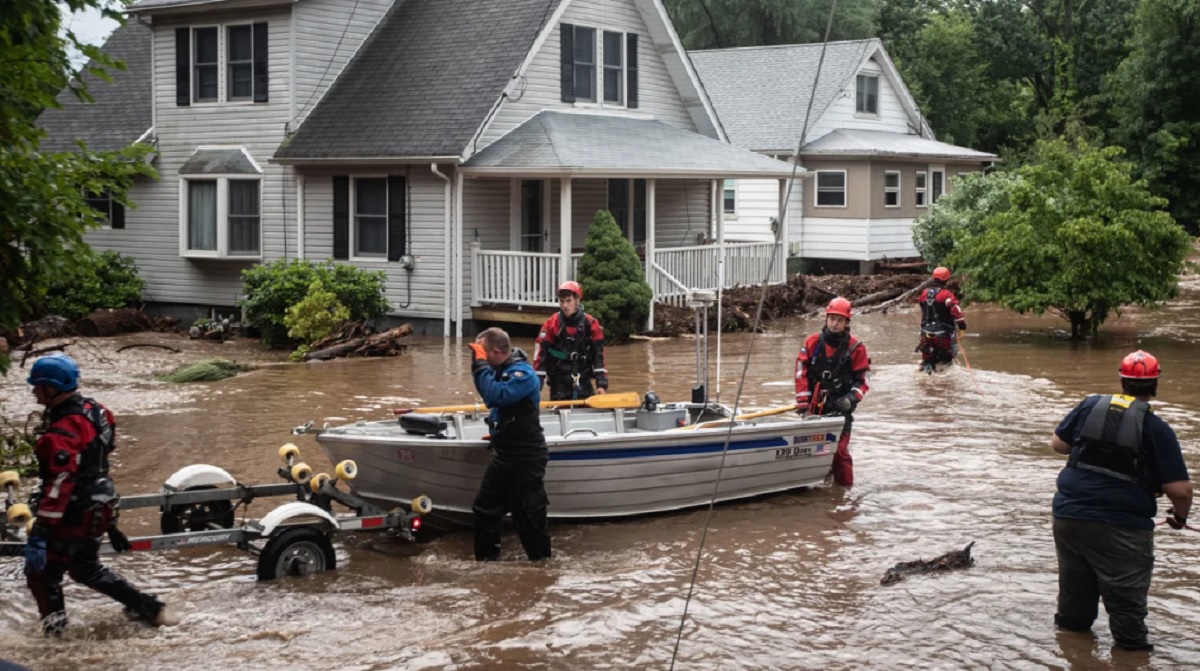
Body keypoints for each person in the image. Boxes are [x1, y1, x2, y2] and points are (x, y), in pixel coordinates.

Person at [23, 354, 177, 637]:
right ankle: (150, 608)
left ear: (51, 389)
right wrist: (110, 523)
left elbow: (60, 481)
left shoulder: (58, 435)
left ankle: (55, 638)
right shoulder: (99, 412)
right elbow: (104, 453)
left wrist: (41, 532)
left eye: (38, 385)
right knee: (85, 569)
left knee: (43, 575)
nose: (33, 391)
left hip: (73, 513)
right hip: (100, 505)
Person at [1049, 350, 1192, 652]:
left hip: (1069, 517)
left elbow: (1058, 445)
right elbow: (1180, 491)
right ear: (1155, 385)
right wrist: (1180, 518)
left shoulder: (1089, 405)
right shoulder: (1158, 429)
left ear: (1121, 381)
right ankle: (1131, 658)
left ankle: (1073, 653)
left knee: (1074, 602)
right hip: (1121, 528)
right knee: (1127, 610)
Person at [468, 327, 552, 561]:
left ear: (495, 352)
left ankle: (542, 570)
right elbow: (496, 407)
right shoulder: (501, 370)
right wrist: (498, 432)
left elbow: (495, 396)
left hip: (526, 457)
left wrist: (480, 365)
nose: (480, 359)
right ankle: (486, 564)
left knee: (529, 519)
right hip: (503, 454)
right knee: (484, 509)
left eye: (483, 354)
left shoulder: (523, 375)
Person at [794, 297, 871, 486]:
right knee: (813, 451)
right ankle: (819, 486)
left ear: (847, 323)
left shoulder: (856, 348)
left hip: (841, 409)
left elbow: (863, 380)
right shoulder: (812, 342)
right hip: (815, 409)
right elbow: (800, 374)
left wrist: (852, 397)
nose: (835, 324)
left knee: (839, 451)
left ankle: (845, 491)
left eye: (840, 320)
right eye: (832, 319)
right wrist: (804, 407)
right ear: (826, 318)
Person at [533, 281, 608, 401]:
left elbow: (599, 356)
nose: (565, 306)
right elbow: (540, 356)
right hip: (558, 382)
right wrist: (536, 386)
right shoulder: (551, 324)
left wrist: (602, 384)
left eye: (569, 301)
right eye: (561, 301)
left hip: (583, 380)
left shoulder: (591, 324)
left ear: (577, 300)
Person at [915, 267, 967, 374]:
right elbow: (956, 310)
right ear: (946, 279)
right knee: (946, 365)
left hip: (925, 334)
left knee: (927, 363)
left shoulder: (924, 293)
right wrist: (962, 327)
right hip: (943, 335)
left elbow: (922, 306)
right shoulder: (946, 295)